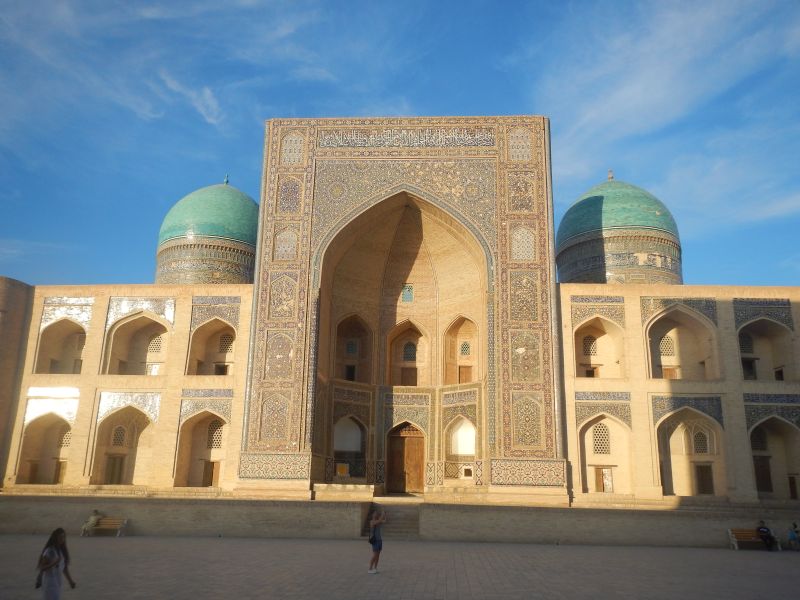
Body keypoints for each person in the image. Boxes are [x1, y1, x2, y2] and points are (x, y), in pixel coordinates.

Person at [36, 528, 76, 599]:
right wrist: (53, 563)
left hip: (57, 583)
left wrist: (70, 581)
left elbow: (64, 568)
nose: (62, 539)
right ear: (55, 538)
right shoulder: (49, 551)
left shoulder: (62, 551)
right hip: (49, 583)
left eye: (63, 537)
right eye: (60, 537)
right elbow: (42, 567)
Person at [367, 508, 387, 574]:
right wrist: (382, 514)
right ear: (372, 515)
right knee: (375, 555)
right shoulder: (372, 522)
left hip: (379, 540)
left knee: (378, 555)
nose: (376, 514)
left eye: (376, 513)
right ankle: (370, 568)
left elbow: (384, 521)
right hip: (375, 540)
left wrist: (385, 515)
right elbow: (379, 521)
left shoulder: (378, 520)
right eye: (375, 513)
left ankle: (375, 568)